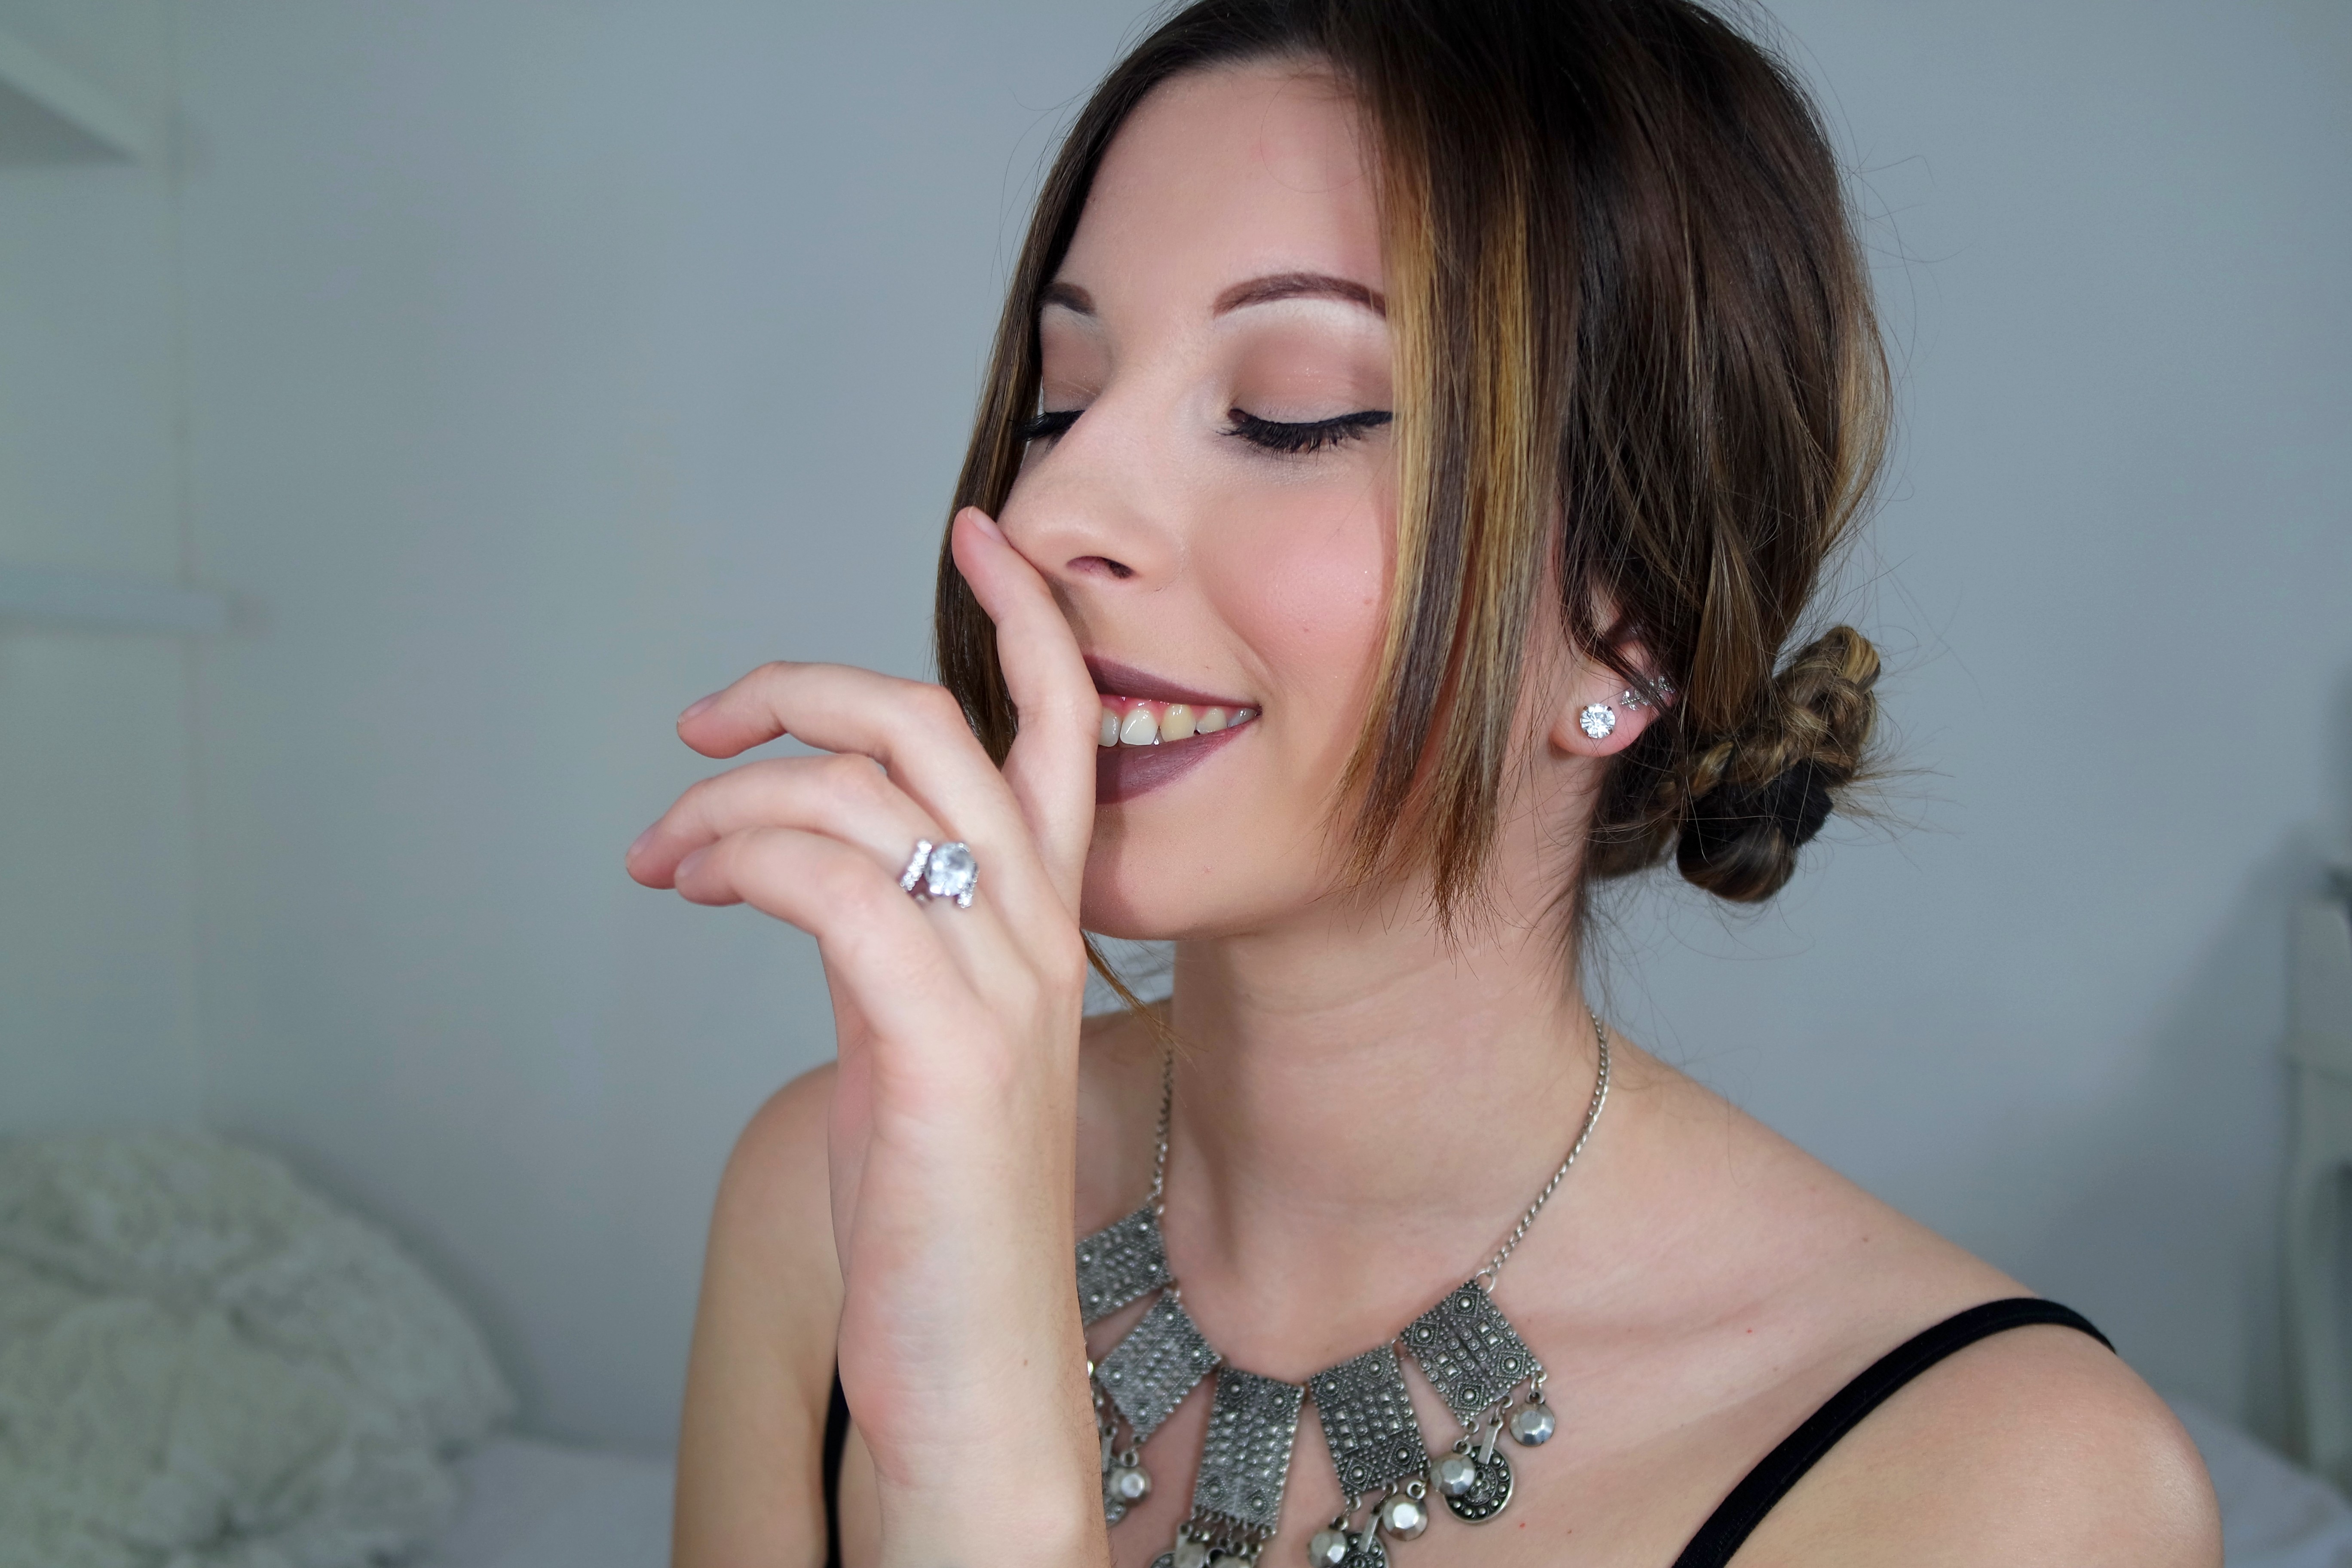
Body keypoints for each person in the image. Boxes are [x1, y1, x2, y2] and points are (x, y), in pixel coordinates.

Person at [627, 2, 2223, 1563]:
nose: (1048, 517)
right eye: (1061, 400)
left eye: (1289, 415)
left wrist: (983, 1471)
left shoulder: (2011, 1491)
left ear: (1628, 631)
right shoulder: (833, 1193)